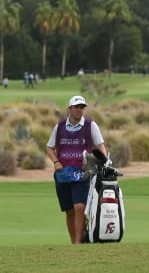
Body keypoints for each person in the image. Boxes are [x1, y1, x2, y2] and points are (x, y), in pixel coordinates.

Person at [45, 95, 107, 244]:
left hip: (83, 173)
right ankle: (74, 243)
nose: (79, 110)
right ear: (70, 108)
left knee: (80, 207)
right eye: (77, 107)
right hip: (63, 174)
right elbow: (49, 147)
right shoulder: (59, 127)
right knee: (69, 211)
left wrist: (102, 161)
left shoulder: (90, 126)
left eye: (82, 107)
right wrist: (56, 161)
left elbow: (100, 147)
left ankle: (79, 243)